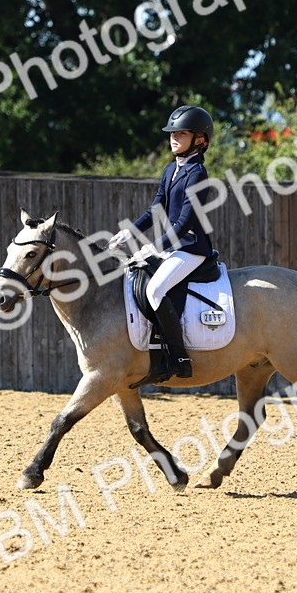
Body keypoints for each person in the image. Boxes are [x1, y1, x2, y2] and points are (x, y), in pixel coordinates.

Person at [107, 105, 217, 384]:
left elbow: (184, 224)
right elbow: (156, 208)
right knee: (139, 279)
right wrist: (130, 232)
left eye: (181, 133)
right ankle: (155, 358)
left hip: (192, 248)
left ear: (200, 140)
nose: (174, 138)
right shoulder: (171, 169)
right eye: (172, 133)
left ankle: (179, 358)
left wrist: (155, 248)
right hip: (173, 246)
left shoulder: (197, 174)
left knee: (155, 289)